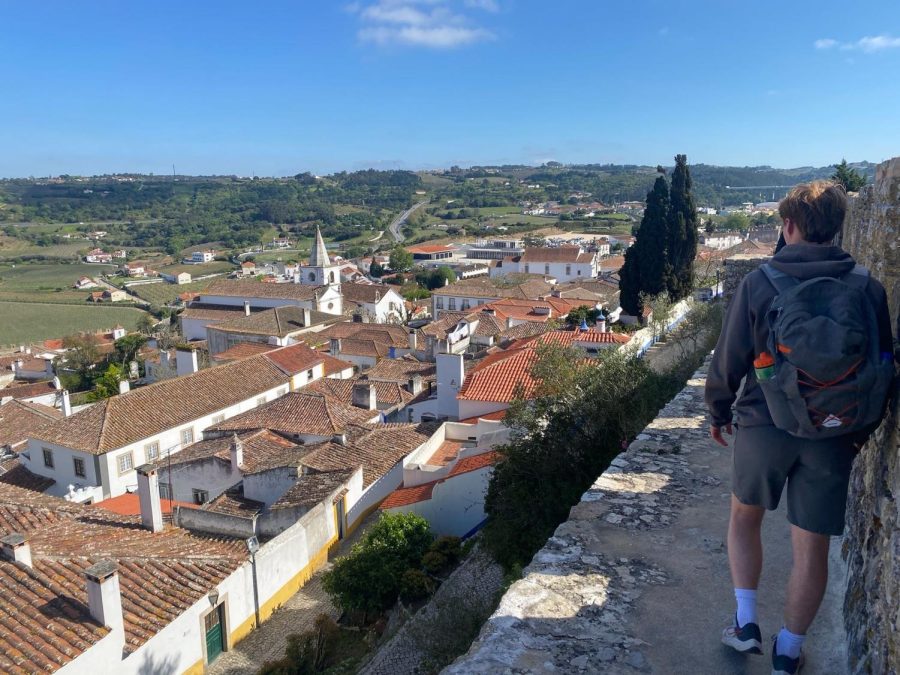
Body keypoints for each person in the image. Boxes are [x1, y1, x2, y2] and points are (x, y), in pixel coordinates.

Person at [705, 181, 893, 675]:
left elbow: (730, 358)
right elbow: (882, 362)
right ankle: (788, 651)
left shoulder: (761, 282)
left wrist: (718, 411)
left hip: (764, 424)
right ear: (837, 228)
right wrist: (859, 428)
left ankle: (746, 624)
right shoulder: (867, 287)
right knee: (811, 544)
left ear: (788, 226)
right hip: (834, 434)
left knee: (744, 517)